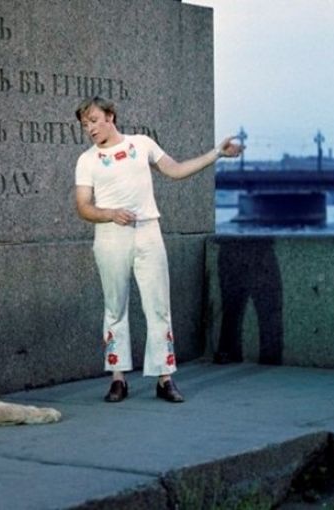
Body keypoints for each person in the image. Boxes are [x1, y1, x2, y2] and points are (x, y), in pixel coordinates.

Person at [74, 96, 243, 403]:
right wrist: (110, 213)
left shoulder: (141, 144)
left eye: (94, 121)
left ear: (110, 116)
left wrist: (217, 153)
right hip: (110, 237)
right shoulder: (87, 160)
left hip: (148, 232)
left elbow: (176, 170)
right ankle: (118, 378)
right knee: (115, 307)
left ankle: (164, 378)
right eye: (85, 125)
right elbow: (83, 207)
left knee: (158, 306)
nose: (90, 129)